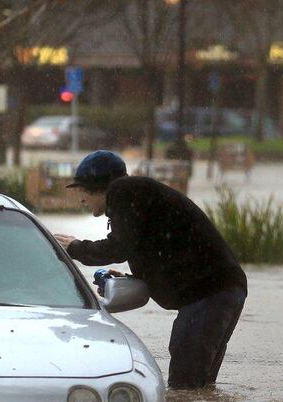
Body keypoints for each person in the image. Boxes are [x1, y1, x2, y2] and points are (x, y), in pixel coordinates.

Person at [53, 150, 247, 389]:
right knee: (199, 389)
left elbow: (119, 247)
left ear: (97, 186)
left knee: (184, 386)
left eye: (82, 191)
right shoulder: (138, 194)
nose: (81, 200)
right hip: (222, 290)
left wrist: (75, 247)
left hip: (208, 294)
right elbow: (158, 247)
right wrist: (134, 279)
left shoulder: (123, 191)